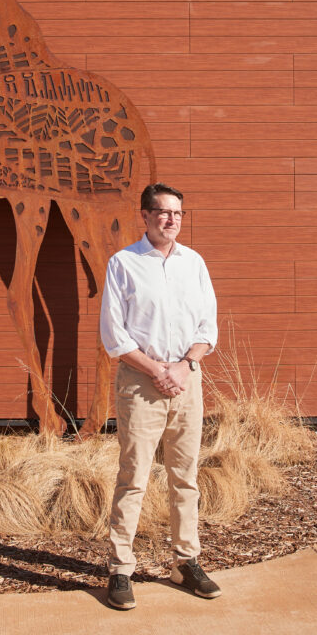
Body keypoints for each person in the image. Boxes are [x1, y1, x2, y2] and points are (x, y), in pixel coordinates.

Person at [100, 182, 220, 610]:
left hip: (187, 381)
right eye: (163, 213)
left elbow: (208, 327)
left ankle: (186, 562)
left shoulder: (195, 263)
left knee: (185, 477)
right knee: (133, 478)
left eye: (178, 214)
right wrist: (157, 370)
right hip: (140, 383)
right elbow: (114, 336)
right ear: (146, 216)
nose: (172, 220)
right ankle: (120, 569)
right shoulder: (124, 263)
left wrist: (184, 367)